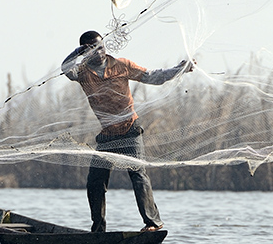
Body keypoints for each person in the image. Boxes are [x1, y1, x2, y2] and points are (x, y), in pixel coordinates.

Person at [62, 30, 193, 233]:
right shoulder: (83, 72)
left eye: (101, 47)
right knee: (95, 181)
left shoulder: (121, 65)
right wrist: (77, 52)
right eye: (93, 49)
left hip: (130, 129)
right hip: (107, 134)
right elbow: (65, 68)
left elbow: (152, 76)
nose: (99, 52)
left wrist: (179, 69)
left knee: (138, 175)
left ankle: (153, 223)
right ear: (85, 52)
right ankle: (98, 230)